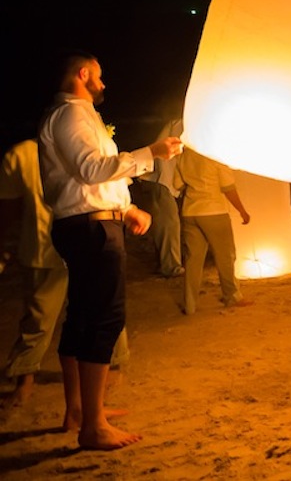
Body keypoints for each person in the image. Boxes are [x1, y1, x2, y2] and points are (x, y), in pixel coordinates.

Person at [38, 51, 182, 449]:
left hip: (92, 222)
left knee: (84, 318)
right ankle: (93, 425)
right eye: (99, 77)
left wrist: (128, 206)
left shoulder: (77, 116)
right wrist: (150, 153)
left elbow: (90, 179)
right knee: (103, 318)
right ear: (84, 74)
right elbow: (90, 169)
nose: (104, 84)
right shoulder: (71, 115)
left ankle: (80, 411)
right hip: (90, 229)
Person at [0, 139, 128, 411]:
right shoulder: (23, 155)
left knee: (96, 312)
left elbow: (8, 212)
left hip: (62, 245)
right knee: (45, 318)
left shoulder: (87, 149)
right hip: (56, 247)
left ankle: (104, 379)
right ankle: (27, 380)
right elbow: (8, 210)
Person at [174, 141, 252, 314]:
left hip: (190, 211)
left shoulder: (183, 156)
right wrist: (242, 211)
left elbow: (178, 185)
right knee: (225, 255)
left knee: (193, 259)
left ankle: (190, 304)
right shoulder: (215, 156)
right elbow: (228, 188)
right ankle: (231, 296)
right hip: (214, 210)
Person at [126, 116, 184, 277]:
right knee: (169, 225)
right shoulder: (179, 125)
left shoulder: (175, 124)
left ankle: (166, 264)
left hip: (157, 182)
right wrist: (167, 183)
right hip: (160, 182)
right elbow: (165, 159)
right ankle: (171, 267)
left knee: (166, 225)